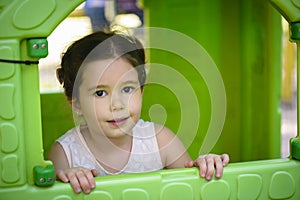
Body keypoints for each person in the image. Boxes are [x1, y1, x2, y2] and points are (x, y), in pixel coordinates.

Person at [48, 31, 230, 194]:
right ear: (76, 103)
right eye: (100, 93)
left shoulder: (161, 141)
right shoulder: (65, 153)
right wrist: (64, 179)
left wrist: (205, 167)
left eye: (127, 89)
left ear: (141, 92)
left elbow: (191, 190)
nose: (117, 105)